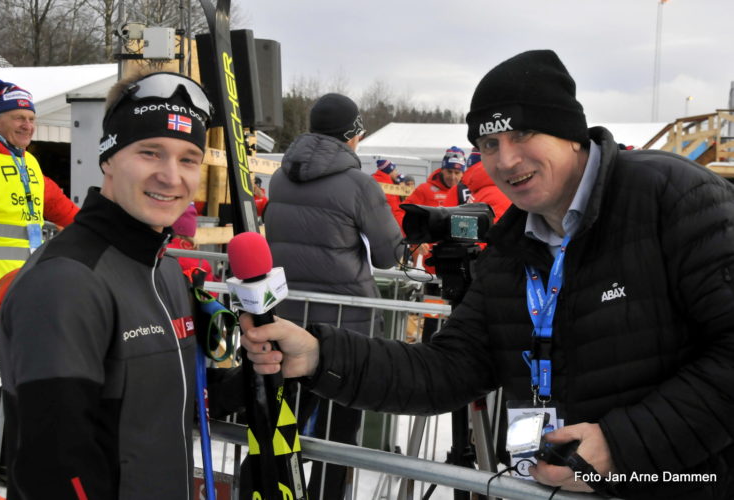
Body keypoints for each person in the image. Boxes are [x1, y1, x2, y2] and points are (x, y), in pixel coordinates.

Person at [240, 50, 734, 499]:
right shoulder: (511, 246)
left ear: (570, 132)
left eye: (522, 135)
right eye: (489, 143)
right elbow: (448, 369)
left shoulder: (672, 195)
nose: (506, 160)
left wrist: (621, 448)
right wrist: (321, 353)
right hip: (550, 487)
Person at [0, 71, 236, 500]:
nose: (171, 176)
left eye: (188, 159)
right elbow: (54, 465)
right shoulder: (66, 282)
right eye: (150, 152)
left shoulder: (162, 270)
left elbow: (166, 395)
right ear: (108, 157)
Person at [263, 92, 403, 499]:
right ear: (352, 135)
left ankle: (271, 490)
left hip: (288, 318)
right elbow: (387, 256)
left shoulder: (280, 175)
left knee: (280, 425)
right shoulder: (360, 184)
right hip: (347, 328)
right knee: (338, 435)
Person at [0, 79, 79, 309]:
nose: (27, 125)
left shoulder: (28, 162)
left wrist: (106, 233)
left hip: (26, 278)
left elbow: (62, 208)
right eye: (18, 118)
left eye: (31, 119)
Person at [444, 146, 512, 221]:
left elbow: (446, 220)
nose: (453, 177)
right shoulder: (504, 189)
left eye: (457, 172)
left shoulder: (490, 192)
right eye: (449, 172)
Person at [371, 158, 405, 227]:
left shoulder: (372, 179)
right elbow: (394, 209)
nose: (397, 172)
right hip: (387, 224)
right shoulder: (388, 185)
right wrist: (403, 225)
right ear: (389, 171)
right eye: (395, 170)